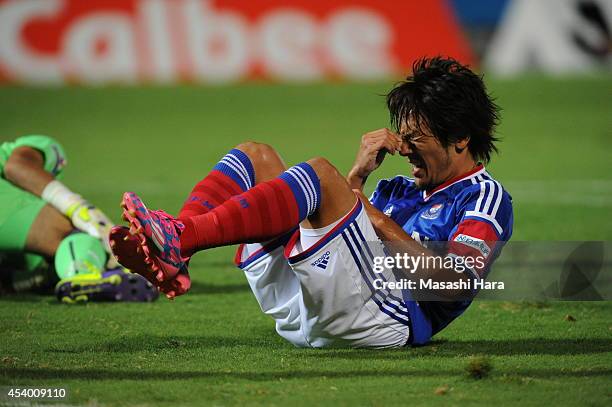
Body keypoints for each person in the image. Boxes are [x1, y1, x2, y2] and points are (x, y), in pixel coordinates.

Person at [110, 57, 513, 347]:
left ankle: (180, 240)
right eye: (402, 136)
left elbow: (456, 284)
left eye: (416, 138)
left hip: (390, 320)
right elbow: (344, 244)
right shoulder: (397, 189)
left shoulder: (483, 198)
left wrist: (371, 213)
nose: (405, 149)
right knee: (256, 155)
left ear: (460, 138)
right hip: (317, 306)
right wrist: (356, 177)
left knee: (320, 173)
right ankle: (177, 246)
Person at [0, 135, 157, 303]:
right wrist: (78, 207)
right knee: (70, 234)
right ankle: (82, 275)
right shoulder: (40, 145)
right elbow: (16, 166)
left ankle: (48, 277)